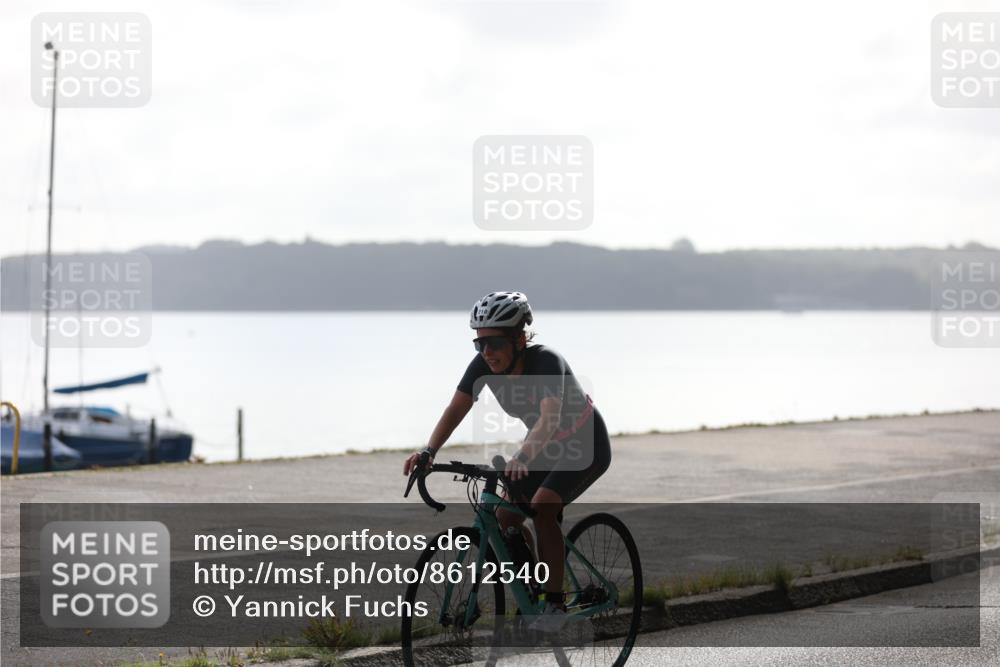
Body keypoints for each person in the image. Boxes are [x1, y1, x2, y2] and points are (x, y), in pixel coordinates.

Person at [403, 291, 612, 632]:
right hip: (543, 446)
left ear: (518, 339)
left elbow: (549, 418)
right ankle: (534, 587)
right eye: (479, 344)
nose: (487, 352)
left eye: (495, 343)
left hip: (584, 442)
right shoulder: (483, 365)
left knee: (543, 504)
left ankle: (554, 605)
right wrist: (429, 452)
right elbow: (456, 408)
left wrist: (522, 457)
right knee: (505, 518)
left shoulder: (546, 362)